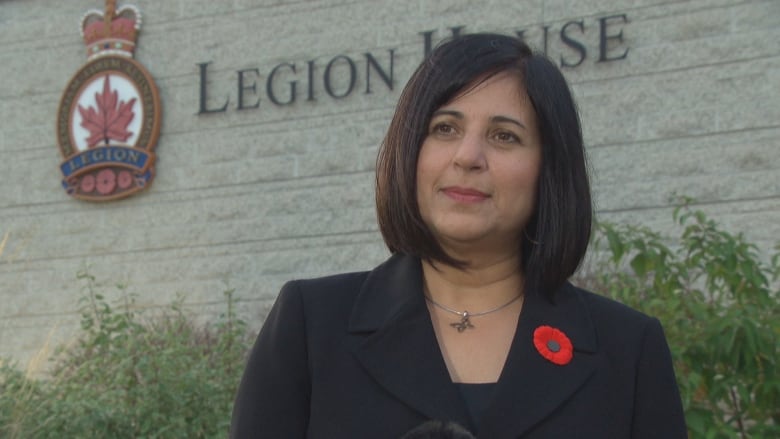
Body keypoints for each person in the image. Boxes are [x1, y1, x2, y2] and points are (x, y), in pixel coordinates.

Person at [230, 33, 687, 438]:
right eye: (444, 129)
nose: (468, 156)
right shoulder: (311, 327)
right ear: (411, 152)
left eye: (505, 137)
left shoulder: (626, 350)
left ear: (548, 169)